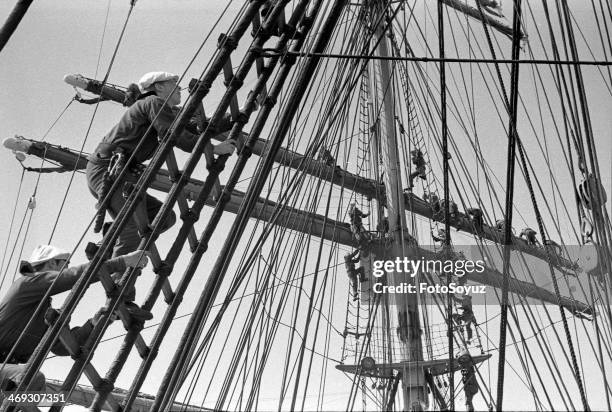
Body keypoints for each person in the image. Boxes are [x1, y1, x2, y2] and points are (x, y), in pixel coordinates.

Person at [86, 71, 237, 303]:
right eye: (174, 85)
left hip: (118, 173)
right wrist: (214, 149)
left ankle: (110, 241)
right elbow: (173, 134)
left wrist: (233, 118)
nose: (179, 89)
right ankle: (119, 295)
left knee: (163, 217)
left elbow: (193, 129)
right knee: (132, 227)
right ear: (159, 87)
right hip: (109, 172)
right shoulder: (153, 102)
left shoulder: (156, 107)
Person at [0, 245, 148, 397]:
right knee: (32, 382)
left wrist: (93, 323)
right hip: (7, 371)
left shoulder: (44, 313)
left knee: (32, 387)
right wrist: (122, 261)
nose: (67, 267)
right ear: (51, 263)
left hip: (7, 371)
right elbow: (72, 277)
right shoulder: (25, 284)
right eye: (65, 263)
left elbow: (61, 347)